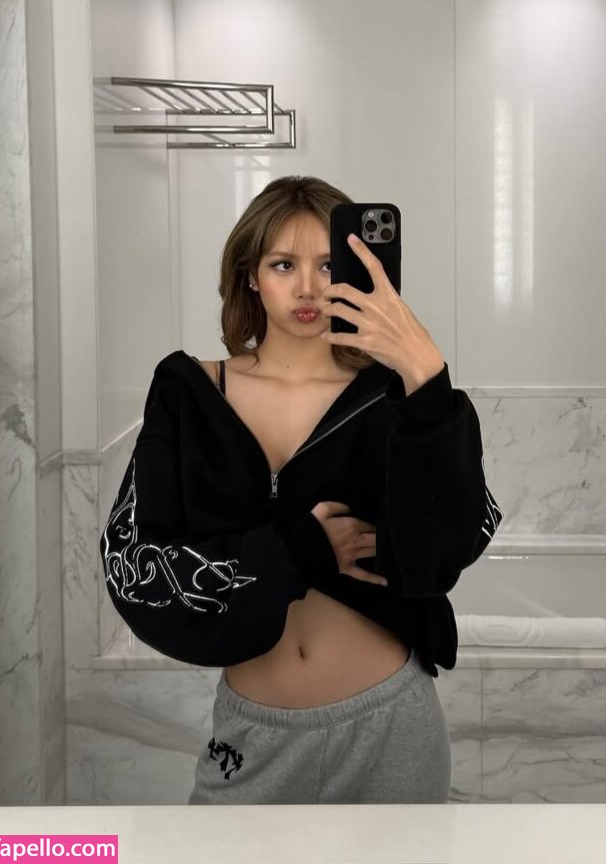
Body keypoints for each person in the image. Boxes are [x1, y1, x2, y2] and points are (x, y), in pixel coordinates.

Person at [100, 176, 503, 805]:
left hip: (391, 725)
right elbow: (134, 567)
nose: (309, 288)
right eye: (284, 264)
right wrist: (297, 554)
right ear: (251, 276)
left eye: (328, 265)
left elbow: (455, 541)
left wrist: (424, 372)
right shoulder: (189, 393)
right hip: (253, 734)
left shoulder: (395, 398)